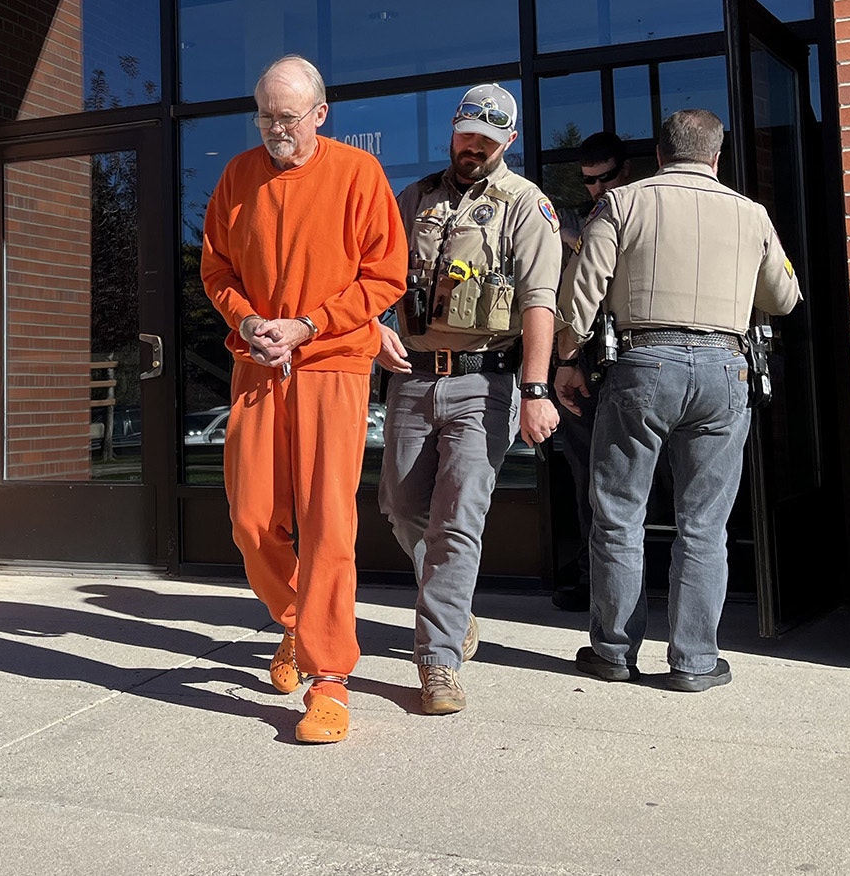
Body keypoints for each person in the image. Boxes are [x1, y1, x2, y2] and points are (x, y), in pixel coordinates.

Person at [555, 109, 801, 692]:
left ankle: (613, 652)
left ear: (660, 155)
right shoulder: (752, 214)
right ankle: (694, 661)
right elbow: (784, 298)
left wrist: (565, 361)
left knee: (618, 515)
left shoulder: (621, 205)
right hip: (724, 367)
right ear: (716, 158)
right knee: (704, 523)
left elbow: (581, 298)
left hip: (642, 363)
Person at [200, 54, 407, 743]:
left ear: (321, 113)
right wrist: (248, 322)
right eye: (264, 115)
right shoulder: (237, 176)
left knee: (327, 523)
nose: (273, 129)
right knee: (251, 520)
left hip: (332, 366)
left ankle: (330, 679)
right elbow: (216, 268)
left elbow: (386, 276)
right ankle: (296, 623)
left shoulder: (359, 174)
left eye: (286, 117)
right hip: (259, 364)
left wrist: (311, 324)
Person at [374, 83, 562, 715]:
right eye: (466, 136)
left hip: (488, 382)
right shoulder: (416, 198)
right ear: (452, 132)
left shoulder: (525, 205)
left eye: (487, 140)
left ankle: (438, 660)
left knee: (459, 519)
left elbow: (540, 302)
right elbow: (376, 274)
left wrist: (535, 389)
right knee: (399, 504)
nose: (473, 148)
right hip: (414, 377)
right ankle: (453, 605)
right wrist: (375, 325)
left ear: (507, 141)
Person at [552, 131, 636, 613]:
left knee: (645, 477)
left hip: (641, 360)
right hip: (583, 364)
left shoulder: (642, 211)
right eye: (588, 181)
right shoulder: (572, 221)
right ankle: (593, 579)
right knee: (589, 478)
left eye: (606, 177)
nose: (597, 188)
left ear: (627, 170)